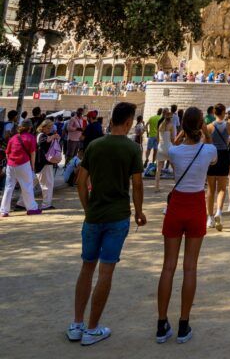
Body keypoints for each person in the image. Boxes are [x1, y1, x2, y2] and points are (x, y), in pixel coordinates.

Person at [68, 101, 146, 345]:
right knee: (106, 271)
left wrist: (87, 208)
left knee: (86, 268)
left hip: (94, 215)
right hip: (117, 215)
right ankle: (92, 329)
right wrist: (139, 212)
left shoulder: (94, 145)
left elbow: (81, 182)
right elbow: (137, 184)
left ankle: (76, 324)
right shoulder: (132, 149)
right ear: (128, 121)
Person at [156, 106, 217, 344]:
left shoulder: (175, 151)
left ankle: (161, 324)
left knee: (167, 267)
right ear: (201, 125)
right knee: (190, 268)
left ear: (184, 127)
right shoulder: (209, 150)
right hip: (196, 207)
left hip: (176, 206)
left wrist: (182, 131)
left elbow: (174, 146)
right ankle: (183, 324)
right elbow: (211, 148)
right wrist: (205, 131)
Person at [0, 119, 41, 216]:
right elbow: (33, 154)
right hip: (23, 163)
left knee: (9, 187)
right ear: (30, 127)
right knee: (27, 186)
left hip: (11, 164)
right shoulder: (31, 137)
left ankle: (3, 211)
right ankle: (32, 208)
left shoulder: (13, 138)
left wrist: (10, 163)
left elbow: (7, 153)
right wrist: (33, 167)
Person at [206, 104, 230, 230]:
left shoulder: (209, 127)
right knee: (222, 188)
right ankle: (219, 212)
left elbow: (205, 142)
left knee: (210, 189)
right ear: (223, 112)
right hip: (223, 155)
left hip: (212, 155)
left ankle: (210, 218)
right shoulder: (228, 126)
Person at [35, 118, 61, 210]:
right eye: (48, 127)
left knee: (34, 183)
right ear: (43, 127)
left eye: (51, 128)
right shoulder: (41, 136)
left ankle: (21, 203)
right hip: (44, 163)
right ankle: (46, 204)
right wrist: (53, 137)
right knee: (47, 184)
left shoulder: (43, 135)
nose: (50, 129)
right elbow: (44, 142)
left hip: (42, 163)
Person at [155, 110, 174, 192]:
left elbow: (158, 138)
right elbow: (172, 138)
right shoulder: (171, 126)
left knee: (158, 169)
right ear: (171, 118)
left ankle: (157, 187)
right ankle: (177, 186)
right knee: (175, 168)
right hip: (169, 147)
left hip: (161, 147)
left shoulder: (160, 126)